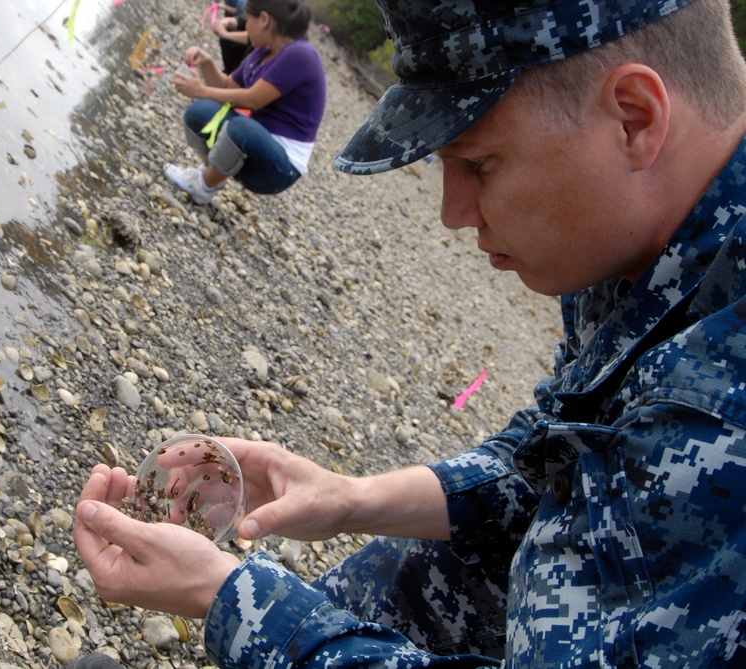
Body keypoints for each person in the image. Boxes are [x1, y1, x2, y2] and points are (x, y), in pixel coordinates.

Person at [75, 0, 746, 666]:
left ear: (634, 118)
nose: (453, 212)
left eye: (479, 163)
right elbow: (553, 452)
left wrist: (228, 595)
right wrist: (349, 499)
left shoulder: (724, 398)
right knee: (394, 579)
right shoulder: (628, 240)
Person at [164, 0, 326, 204]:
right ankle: (207, 175)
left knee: (240, 127)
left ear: (264, 20)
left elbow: (253, 100)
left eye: (248, 20)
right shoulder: (262, 52)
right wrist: (206, 63)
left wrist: (201, 90)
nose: (246, 26)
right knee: (199, 112)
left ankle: (203, 186)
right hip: (255, 144)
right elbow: (226, 87)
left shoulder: (301, 54)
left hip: (280, 167)